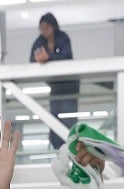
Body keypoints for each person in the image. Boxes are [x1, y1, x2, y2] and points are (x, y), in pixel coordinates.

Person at [30, 12, 76, 149]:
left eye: (47, 28)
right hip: (55, 85)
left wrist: (48, 58)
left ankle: (70, 142)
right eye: (42, 28)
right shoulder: (40, 41)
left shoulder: (63, 38)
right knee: (55, 115)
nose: (44, 31)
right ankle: (56, 144)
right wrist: (39, 59)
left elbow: (67, 57)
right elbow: (32, 58)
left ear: (53, 26)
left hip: (69, 85)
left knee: (68, 116)